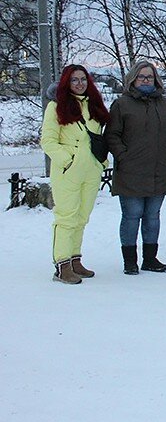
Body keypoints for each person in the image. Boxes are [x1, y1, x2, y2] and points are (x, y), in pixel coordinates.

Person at [105, 60, 166, 274]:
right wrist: (123, 156)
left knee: (152, 216)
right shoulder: (122, 104)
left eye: (149, 77)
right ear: (133, 79)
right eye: (142, 77)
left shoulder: (165, 105)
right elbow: (112, 135)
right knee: (132, 215)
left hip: (159, 170)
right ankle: (130, 260)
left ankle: (150, 258)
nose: (146, 80)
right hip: (131, 172)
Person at [41, 65, 111, 284]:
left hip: (91, 169)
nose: (79, 84)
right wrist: (67, 159)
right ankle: (62, 265)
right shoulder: (56, 107)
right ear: (66, 83)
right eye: (74, 80)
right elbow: (48, 141)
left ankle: (75, 258)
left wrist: (101, 162)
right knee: (66, 217)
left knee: (82, 217)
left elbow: (98, 137)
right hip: (68, 171)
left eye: (83, 79)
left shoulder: (94, 106)